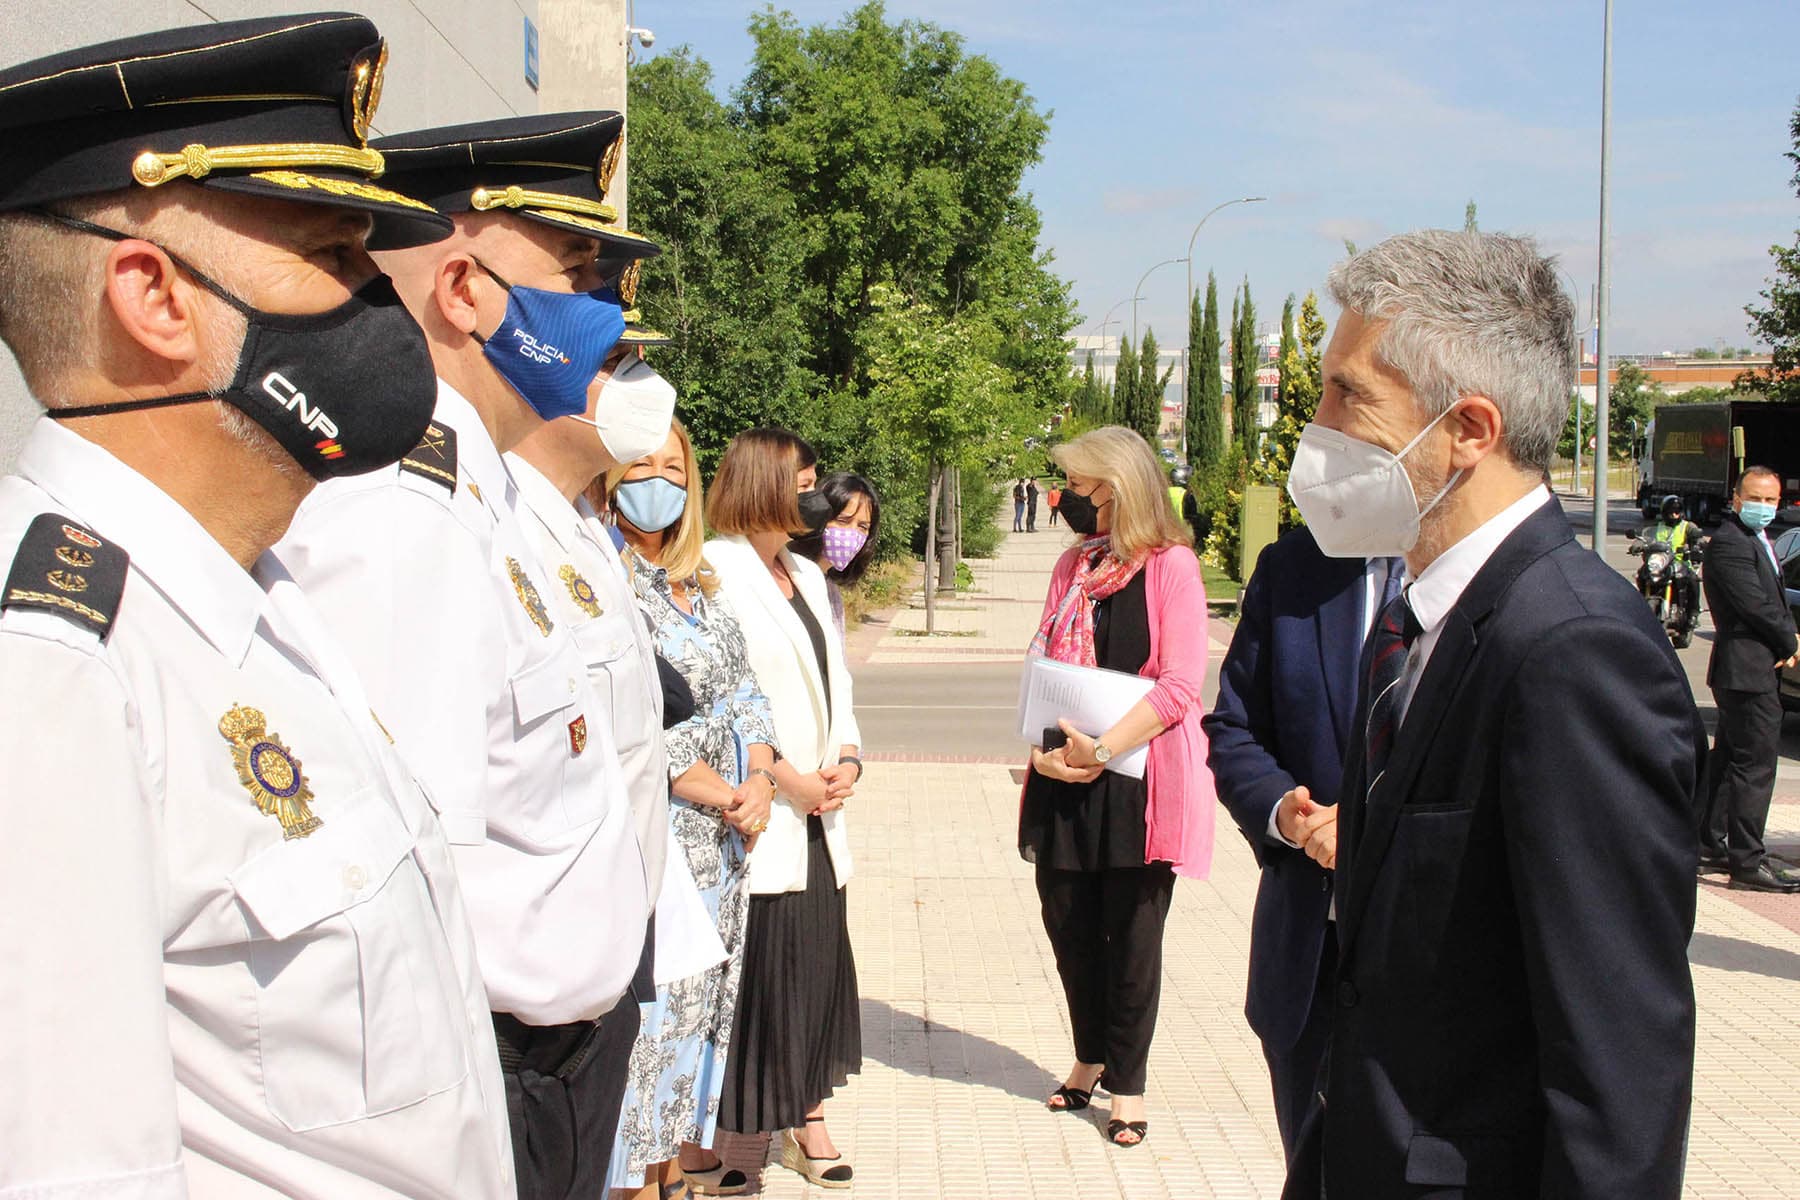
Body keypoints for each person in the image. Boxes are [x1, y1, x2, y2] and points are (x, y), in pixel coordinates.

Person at [0, 16, 515, 1195]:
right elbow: (78, 1173)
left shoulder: (253, 592)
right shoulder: (56, 666)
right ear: (157, 298)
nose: (378, 301)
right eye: (333, 255)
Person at [276, 113, 655, 1199]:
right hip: (492, 1074)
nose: (605, 312)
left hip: (558, 1059)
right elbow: (397, 881)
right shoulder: (407, 515)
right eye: (579, 273)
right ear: (463, 291)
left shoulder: (480, 494)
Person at [1280, 231, 1704, 1200]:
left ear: (1469, 429)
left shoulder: (1573, 653)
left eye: (1349, 395)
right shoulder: (1418, 619)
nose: (1318, 424)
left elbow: (1617, 1072)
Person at [1021, 425, 1216, 1149]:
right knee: (1070, 926)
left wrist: (1102, 749)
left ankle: (1127, 1088)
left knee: (1131, 939)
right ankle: (1088, 1055)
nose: (1068, 499)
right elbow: (1044, 664)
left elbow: (1178, 688)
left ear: (1117, 487)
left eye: (1078, 486)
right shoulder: (1074, 565)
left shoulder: (1172, 567)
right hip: (1064, 778)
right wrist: (1044, 756)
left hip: (1137, 784)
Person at [601, 419, 779, 1197]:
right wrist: (724, 790)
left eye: (674, 468)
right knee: (651, 1032)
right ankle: (635, 1183)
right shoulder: (603, 580)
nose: (659, 482)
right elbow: (628, 719)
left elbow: (747, 694)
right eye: (641, 465)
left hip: (727, 851)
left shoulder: (698, 588)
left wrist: (763, 779)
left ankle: (673, 1175)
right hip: (662, 848)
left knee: (699, 1025)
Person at [1205, 530, 1400, 1156]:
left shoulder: (1495, 582)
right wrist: (1286, 812)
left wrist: (1368, 830)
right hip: (1309, 963)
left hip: (1430, 975)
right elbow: (1234, 728)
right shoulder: (1294, 567)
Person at [707, 428, 864, 1190]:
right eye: (805, 478)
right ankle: (742, 1144)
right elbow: (717, 698)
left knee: (815, 976)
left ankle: (808, 1124)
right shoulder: (715, 568)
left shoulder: (802, 570)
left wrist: (850, 761)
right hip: (765, 813)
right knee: (765, 981)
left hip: (823, 817)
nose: (818, 492)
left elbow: (836, 687)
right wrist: (787, 777)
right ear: (766, 483)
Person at [1698, 467, 1800, 892]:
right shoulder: (1730, 544)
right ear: (1736, 499)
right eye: (1755, 498)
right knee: (1755, 766)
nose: (1763, 507)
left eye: (1771, 500)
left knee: (1729, 761)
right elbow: (1755, 605)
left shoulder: (1757, 540)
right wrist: (1789, 640)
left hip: (1748, 670)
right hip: (1747, 669)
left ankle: (1709, 840)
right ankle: (1746, 863)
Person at [788, 471, 883, 641]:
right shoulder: (789, 579)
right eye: (843, 521)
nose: (852, 533)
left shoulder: (831, 590)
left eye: (862, 526)